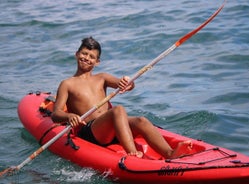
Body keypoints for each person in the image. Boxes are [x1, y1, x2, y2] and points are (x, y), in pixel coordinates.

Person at [51, 36, 192, 158]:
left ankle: (169, 153)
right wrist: (69, 116)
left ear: (97, 62)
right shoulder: (67, 84)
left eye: (91, 56)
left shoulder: (102, 78)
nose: (86, 58)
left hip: (110, 128)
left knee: (141, 121)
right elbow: (56, 114)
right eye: (84, 54)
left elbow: (125, 85)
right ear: (76, 54)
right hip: (91, 132)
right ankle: (132, 153)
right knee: (118, 110)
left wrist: (128, 83)